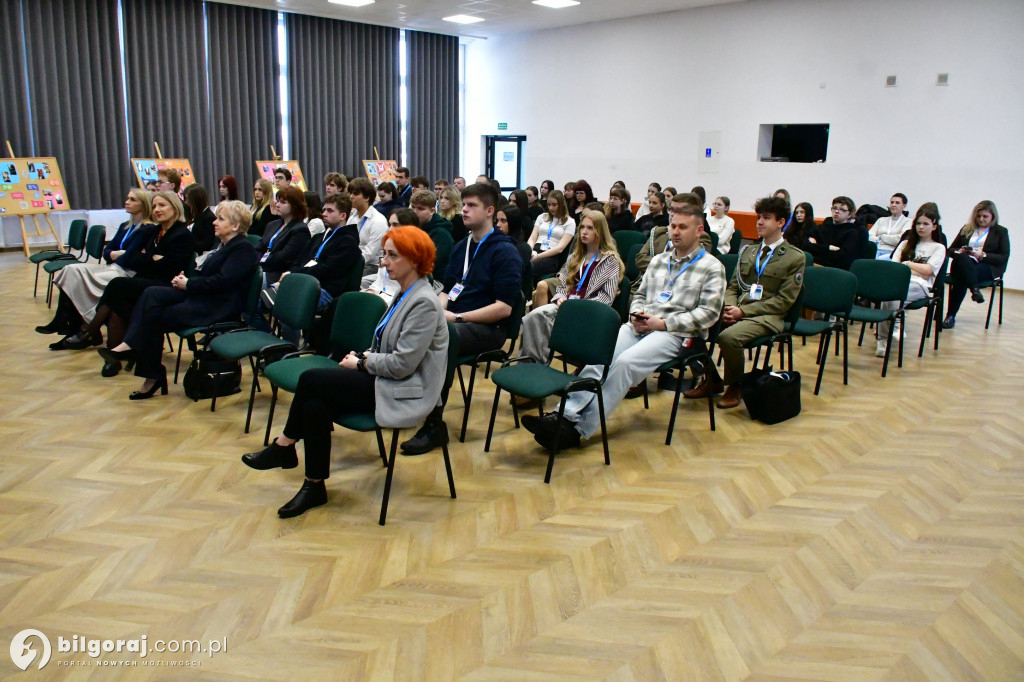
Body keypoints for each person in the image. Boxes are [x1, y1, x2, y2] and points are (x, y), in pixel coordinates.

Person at [241, 226, 449, 519]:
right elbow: (386, 345)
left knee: (311, 378)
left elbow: (403, 365)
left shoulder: (423, 303)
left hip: (406, 390)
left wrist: (362, 363)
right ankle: (314, 486)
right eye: (385, 254)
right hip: (385, 379)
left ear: (414, 260)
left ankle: (285, 445)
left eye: (392, 256)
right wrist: (364, 355)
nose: (384, 262)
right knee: (314, 405)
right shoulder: (406, 293)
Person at [522, 204, 725, 450]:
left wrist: (662, 323)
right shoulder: (660, 260)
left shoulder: (712, 267)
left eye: (683, 227)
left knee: (625, 364)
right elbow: (638, 294)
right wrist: (636, 314)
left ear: (699, 230)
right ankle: (562, 414)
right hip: (641, 324)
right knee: (599, 357)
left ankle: (576, 429)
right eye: (673, 226)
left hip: (675, 333)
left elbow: (709, 314)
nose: (675, 232)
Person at [402, 182, 523, 455]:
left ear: (490, 211)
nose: (464, 210)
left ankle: (434, 425)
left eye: (471, 206)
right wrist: (435, 310)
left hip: (488, 327)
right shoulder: (462, 247)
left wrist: (455, 317)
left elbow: (504, 308)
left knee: (440, 337)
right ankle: (405, 399)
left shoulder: (505, 252)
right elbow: (447, 290)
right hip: (455, 319)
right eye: (464, 205)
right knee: (415, 323)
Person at [99, 200, 259, 399]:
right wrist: (186, 280)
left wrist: (189, 284)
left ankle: (149, 372)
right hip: (205, 296)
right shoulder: (225, 246)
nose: (214, 222)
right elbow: (211, 277)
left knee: (153, 316)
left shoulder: (242, 249)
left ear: (235, 225)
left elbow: (222, 282)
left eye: (220, 219)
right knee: (151, 293)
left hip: (217, 306)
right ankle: (132, 346)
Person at [685, 196, 805, 408]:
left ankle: (736, 384)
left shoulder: (794, 257)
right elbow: (732, 286)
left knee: (728, 337)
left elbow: (784, 301)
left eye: (766, 218)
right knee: (690, 325)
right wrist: (731, 307)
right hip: (738, 309)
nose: (759, 222)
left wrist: (743, 312)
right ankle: (712, 378)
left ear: (780, 222)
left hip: (767, 317)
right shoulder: (748, 251)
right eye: (759, 217)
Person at [56, 192, 191, 359]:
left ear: (175, 207)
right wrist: (151, 258)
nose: (157, 209)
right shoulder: (155, 231)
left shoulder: (182, 234)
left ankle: (90, 331)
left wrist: (146, 257)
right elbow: (132, 257)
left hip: (165, 284)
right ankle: (113, 356)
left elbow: (169, 267)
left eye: (162, 205)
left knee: (118, 284)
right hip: (146, 278)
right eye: (155, 206)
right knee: (115, 307)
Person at [38, 189, 155, 342]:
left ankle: (79, 327)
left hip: (127, 272)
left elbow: (129, 257)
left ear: (144, 204)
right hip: (114, 266)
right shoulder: (125, 226)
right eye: (127, 198)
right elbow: (107, 252)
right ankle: (63, 320)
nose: (127, 202)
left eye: (133, 200)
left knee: (79, 281)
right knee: (70, 270)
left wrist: (118, 254)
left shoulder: (148, 228)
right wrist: (116, 254)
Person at [520, 210, 623, 367]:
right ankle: (529, 365)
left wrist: (575, 306)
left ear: (600, 231)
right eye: (582, 227)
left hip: (587, 311)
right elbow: (564, 286)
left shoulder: (610, 260)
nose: (584, 232)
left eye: (590, 228)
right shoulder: (576, 256)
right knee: (532, 317)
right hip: (565, 305)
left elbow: (606, 298)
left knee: (543, 321)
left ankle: (536, 364)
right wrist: (559, 297)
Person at [877, 207, 946, 356]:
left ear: (934, 226)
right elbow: (894, 267)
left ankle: (895, 324)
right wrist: (914, 269)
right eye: (918, 223)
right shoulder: (905, 244)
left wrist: (907, 264)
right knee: (886, 295)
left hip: (920, 286)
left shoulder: (938, 248)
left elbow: (928, 271)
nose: (921, 227)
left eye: (925, 224)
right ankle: (882, 339)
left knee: (895, 295)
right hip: (899, 280)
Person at [277, 193, 361, 309]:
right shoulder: (318, 237)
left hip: (326, 291)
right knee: (263, 298)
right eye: (324, 210)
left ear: (342, 216)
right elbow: (298, 260)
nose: (324, 214)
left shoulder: (348, 242)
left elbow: (325, 270)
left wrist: (294, 275)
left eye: (330, 211)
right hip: (306, 283)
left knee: (286, 303)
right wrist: (292, 274)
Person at [943, 200, 1011, 328]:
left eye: (985, 216)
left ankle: (950, 316)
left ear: (993, 216)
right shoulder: (967, 229)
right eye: (978, 216)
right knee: (962, 259)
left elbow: (1003, 256)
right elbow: (950, 250)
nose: (981, 219)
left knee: (961, 277)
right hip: (964, 263)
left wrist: (983, 255)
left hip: (985, 267)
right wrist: (960, 251)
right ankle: (975, 290)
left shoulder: (1000, 232)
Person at [258, 187, 310, 285]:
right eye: (277, 201)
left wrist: (261, 262)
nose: (277, 205)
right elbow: (259, 247)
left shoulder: (300, 230)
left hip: (276, 274)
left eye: (283, 202)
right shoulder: (272, 225)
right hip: (261, 268)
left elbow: (284, 257)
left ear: (295, 206)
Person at [366, 209, 419, 303]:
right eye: (389, 224)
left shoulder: (414, 254)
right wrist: (371, 290)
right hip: (377, 294)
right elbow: (380, 280)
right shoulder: (389, 245)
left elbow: (404, 290)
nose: (389, 229)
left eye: (395, 225)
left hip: (395, 300)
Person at [347, 178, 389, 281]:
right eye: (350, 193)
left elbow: (369, 253)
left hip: (372, 266)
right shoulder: (352, 217)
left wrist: (347, 265)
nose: (351, 197)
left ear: (367, 197)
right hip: (354, 262)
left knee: (345, 279)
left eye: (355, 194)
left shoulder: (378, 221)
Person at [527, 189, 576, 279]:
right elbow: (532, 238)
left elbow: (560, 248)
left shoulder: (570, 222)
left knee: (526, 267)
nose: (551, 208)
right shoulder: (542, 217)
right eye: (549, 205)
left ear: (562, 204)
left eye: (554, 205)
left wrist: (538, 256)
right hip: (535, 250)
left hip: (551, 255)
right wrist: (529, 251)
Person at [803, 196, 862, 269]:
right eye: (834, 208)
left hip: (835, 270)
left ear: (849, 214)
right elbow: (805, 245)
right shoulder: (821, 228)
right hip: (813, 265)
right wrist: (829, 248)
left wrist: (817, 247)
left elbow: (840, 257)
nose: (837, 211)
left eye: (842, 209)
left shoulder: (852, 233)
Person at [410, 189, 455, 280]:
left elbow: (431, 266)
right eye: (413, 207)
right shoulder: (413, 228)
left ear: (432, 211)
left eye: (420, 209)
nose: (414, 212)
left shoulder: (442, 235)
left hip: (433, 282)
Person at [869, 193, 912, 259]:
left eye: (897, 203)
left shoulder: (908, 222)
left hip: (892, 253)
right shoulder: (881, 220)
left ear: (904, 205)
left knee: (878, 260)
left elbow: (900, 240)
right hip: (876, 250)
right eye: (892, 202)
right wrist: (888, 239)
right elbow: (869, 236)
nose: (893, 205)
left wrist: (881, 237)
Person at [185, 184, 217, 261]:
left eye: (188, 199)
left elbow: (206, 245)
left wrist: (187, 240)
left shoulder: (209, 218)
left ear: (196, 200)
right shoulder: (197, 215)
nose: (186, 202)